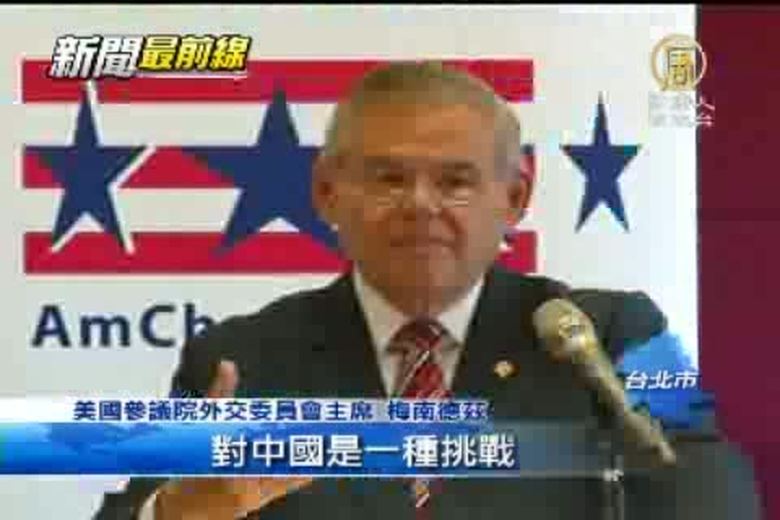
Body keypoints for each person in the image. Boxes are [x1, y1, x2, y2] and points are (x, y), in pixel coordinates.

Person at [94, 61, 761, 520]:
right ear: (326, 192)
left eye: (455, 181)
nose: (420, 204)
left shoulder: (614, 333)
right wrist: (183, 512)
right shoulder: (243, 361)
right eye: (388, 178)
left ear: (515, 198)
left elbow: (715, 494)